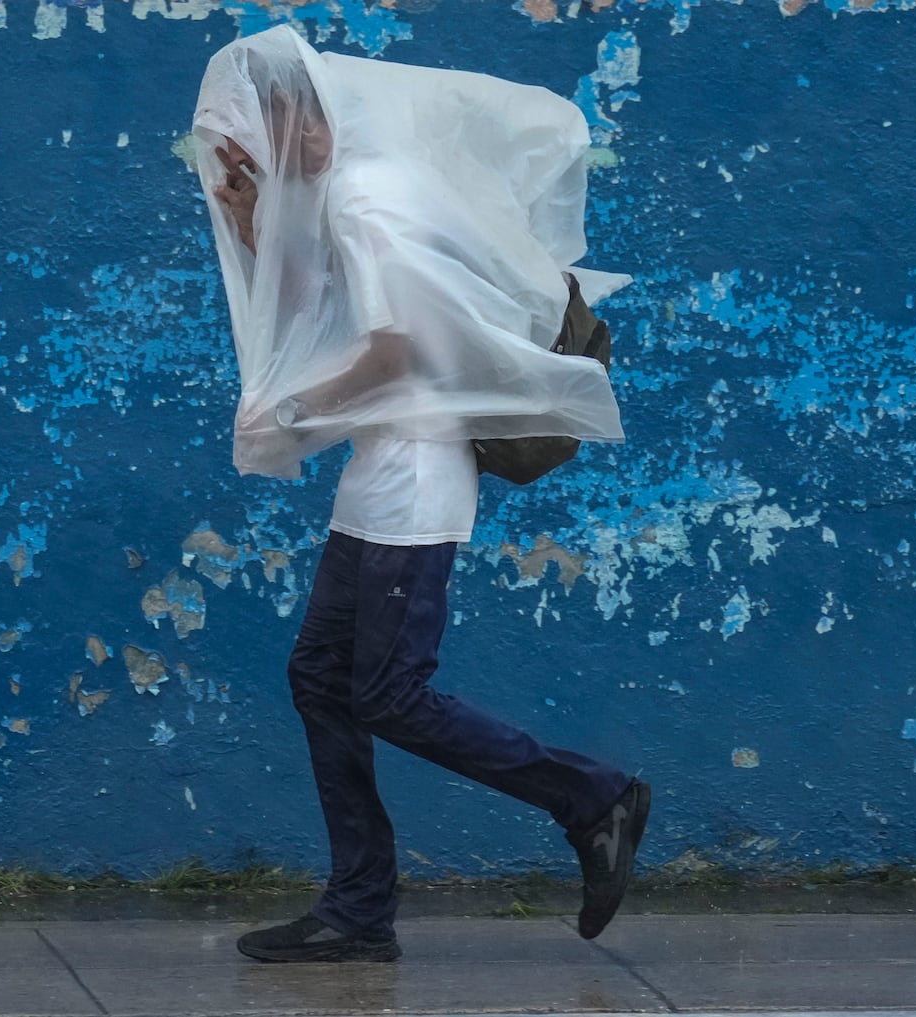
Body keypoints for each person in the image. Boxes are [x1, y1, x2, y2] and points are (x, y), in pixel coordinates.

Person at [193, 27, 649, 963]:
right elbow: (325, 302)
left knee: (391, 693)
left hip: (414, 480)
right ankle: (359, 908)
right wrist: (252, 221)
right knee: (321, 679)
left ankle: (592, 798)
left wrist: (294, 407)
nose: (270, 149)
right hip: (379, 477)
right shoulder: (354, 193)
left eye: (271, 128)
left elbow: (402, 351)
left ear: (303, 116)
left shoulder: (369, 198)